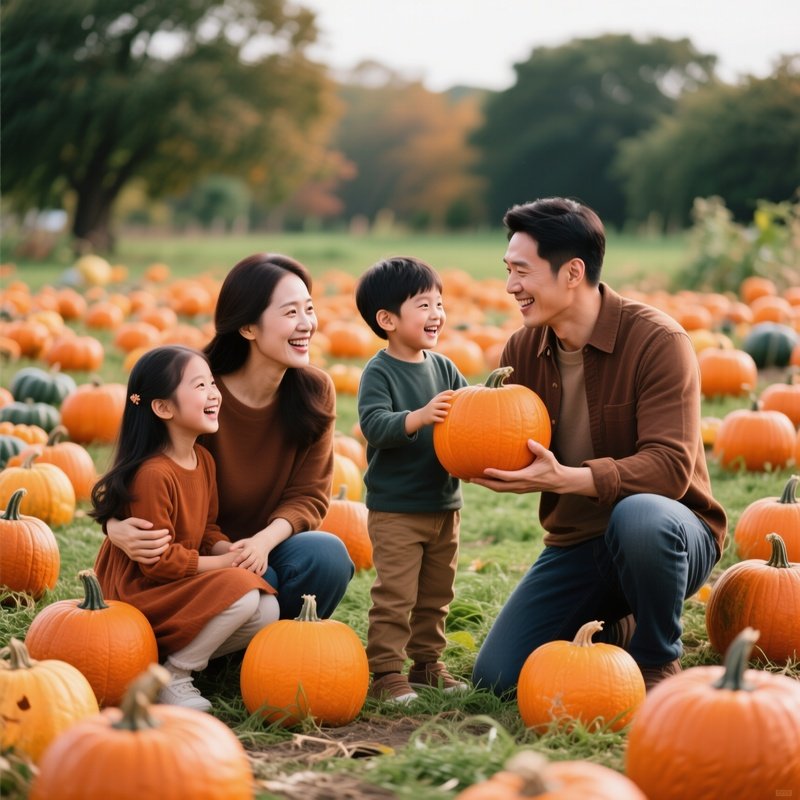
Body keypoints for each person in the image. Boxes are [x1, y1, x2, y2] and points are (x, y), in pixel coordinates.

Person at [469, 197, 727, 695]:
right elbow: (500, 433)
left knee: (640, 517)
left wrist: (567, 478)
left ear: (572, 272)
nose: (510, 287)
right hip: (579, 544)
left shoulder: (657, 341)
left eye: (522, 272)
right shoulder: (522, 349)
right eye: (507, 270)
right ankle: (617, 622)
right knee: (497, 677)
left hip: (671, 533)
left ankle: (655, 660)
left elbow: (670, 467)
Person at [105, 254, 354, 623]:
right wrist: (113, 527)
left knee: (326, 556)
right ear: (248, 328)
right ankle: (216, 644)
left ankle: (261, 651)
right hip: (196, 561)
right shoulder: (197, 392)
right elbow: (140, 466)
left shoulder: (315, 391)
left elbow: (309, 496)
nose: (307, 325)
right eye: (290, 313)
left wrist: (261, 543)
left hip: (262, 549)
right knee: (255, 578)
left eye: (309, 309)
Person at [91, 345, 280, 711]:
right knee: (241, 591)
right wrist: (224, 567)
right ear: (163, 408)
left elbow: (207, 529)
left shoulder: (203, 460)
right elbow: (157, 563)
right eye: (199, 386)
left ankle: (158, 663)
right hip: (141, 590)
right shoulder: (153, 474)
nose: (214, 393)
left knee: (267, 609)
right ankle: (175, 676)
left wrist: (229, 550)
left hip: (175, 581)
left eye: (212, 383)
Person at [355, 256, 470, 703]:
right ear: (387, 319)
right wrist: (419, 418)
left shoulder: (443, 367)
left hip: (444, 505)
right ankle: (385, 671)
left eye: (439, 303)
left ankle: (427, 664)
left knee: (436, 594)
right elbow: (374, 425)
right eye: (424, 304)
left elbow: (473, 412)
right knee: (396, 594)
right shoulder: (379, 372)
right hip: (397, 509)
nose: (436, 314)